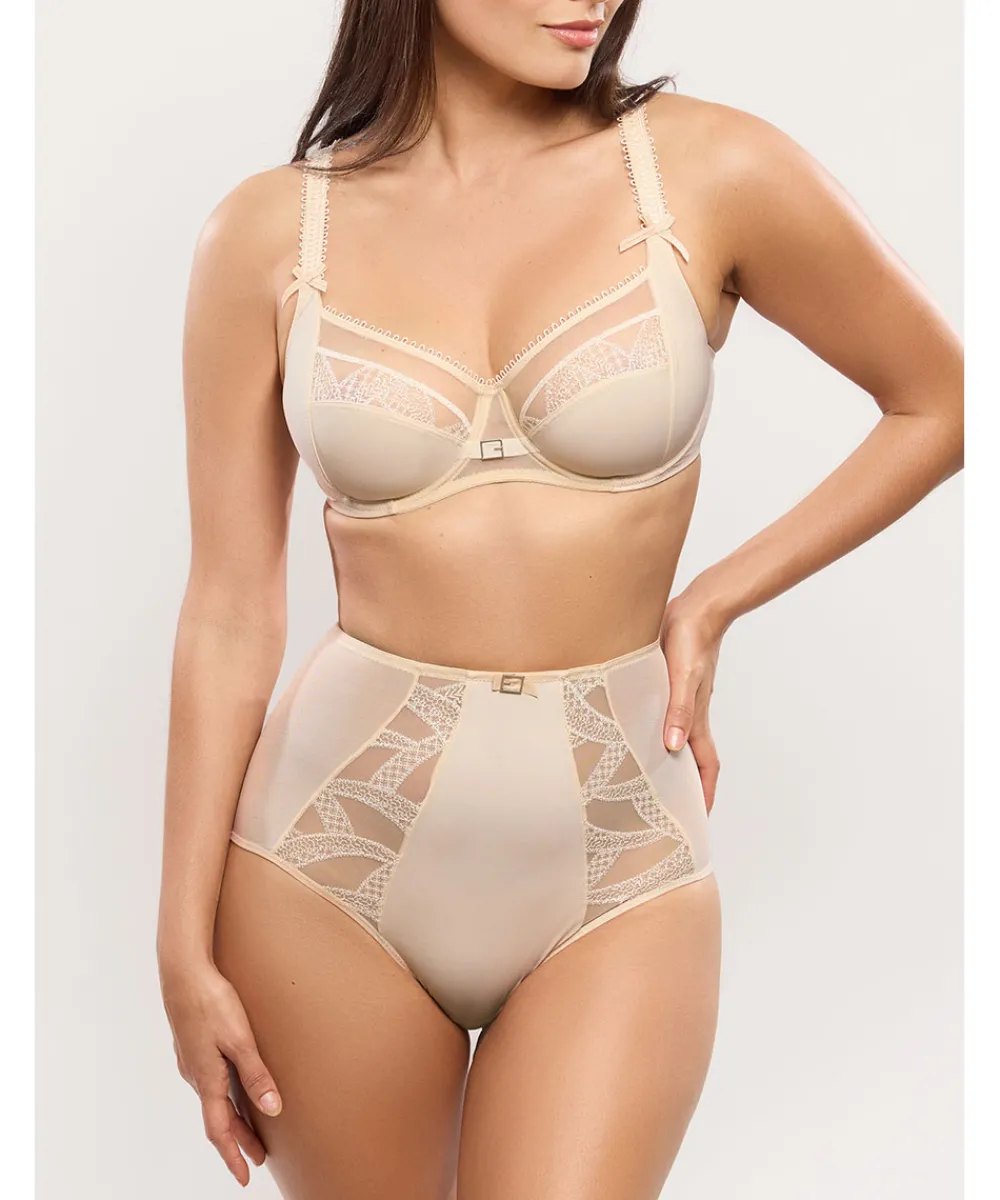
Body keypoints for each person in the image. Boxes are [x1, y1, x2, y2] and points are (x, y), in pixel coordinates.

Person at [156, 2, 964, 1197]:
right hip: (323, 867)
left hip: (618, 864)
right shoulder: (270, 233)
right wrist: (179, 942)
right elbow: (229, 606)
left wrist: (712, 602)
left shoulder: (705, 170)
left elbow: (941, 398)